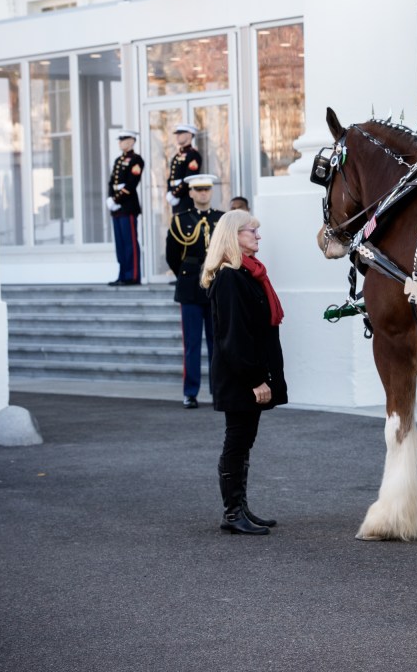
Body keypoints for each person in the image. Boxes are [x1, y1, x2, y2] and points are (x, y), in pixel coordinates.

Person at [201, 209, 287, 536]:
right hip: (240, 380)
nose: (258, 235)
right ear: (234, 236)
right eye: (251, 230)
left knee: (244, 440)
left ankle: (241, 508)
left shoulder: (247, 274)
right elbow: (233, 337)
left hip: (246, 377)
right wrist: (256, 380)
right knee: (237, 442)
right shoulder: (230, 277)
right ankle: (232, 512)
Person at [166, 174, 224, 408]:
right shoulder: (181, 220)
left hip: (215, 287)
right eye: (198, 190)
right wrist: (188, 273)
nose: (203, 194)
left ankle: (218, 390)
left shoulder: (221, 219)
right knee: (191, 343)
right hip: (190, 288)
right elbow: (172, 256)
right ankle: (190, 392)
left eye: (206, 190)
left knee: (217, 342)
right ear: (190, 193)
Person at [106, 130, 144, 286]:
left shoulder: (136, 160)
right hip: (117, 208)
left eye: (123, 139)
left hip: (127, 206)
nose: (120, 142)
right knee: (120, 244)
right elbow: (112, 182)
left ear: (131, 141)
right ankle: (122, 274)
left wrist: (116, 199)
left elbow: (131, 183)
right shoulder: (118, 160)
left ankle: (132, 275)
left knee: (130, 243)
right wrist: (110, 198)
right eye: (120, 140)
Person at [166, 123, 203, 214]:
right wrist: (170, 191)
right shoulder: (177, 155)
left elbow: (189, 178)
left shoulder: (193, 155)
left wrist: (175, 193)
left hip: (185, 196)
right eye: (177, 134)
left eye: (181, 133)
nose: (177, 136)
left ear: (189, 135)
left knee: (184, 223)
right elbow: (172, 176)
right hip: (175, 195)